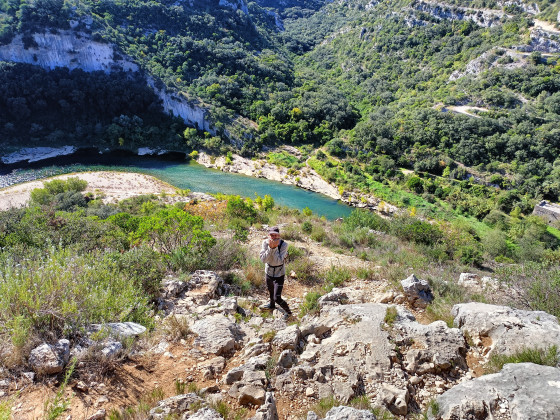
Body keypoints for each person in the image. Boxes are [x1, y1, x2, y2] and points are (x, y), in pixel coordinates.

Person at [259, 226, 292, 318]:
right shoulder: (265, 243)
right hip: (268, 272)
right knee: (270, 291)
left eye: (275, 235)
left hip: (279, 273)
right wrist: (270, 248)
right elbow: (263, 259)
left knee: (277, 297)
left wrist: (274, 248)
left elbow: (278, 261)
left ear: (279, 235)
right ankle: (272, 305)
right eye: (271, 235)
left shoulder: (283, 245)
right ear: (268, 235)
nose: (273, 237)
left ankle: (289, 313)